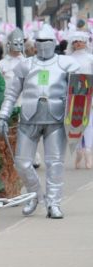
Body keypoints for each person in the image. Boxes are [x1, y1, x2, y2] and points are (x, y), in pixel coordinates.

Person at [0, 24, 80, 219]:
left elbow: (78, 92)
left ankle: (54, 203)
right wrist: (3, 115)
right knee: (22, 163)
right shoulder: (25, 65)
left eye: (47, 41)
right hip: (29, 118)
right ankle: (35, 195)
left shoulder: (67, 64)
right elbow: (11, 94)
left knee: (55, 163)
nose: (43, 45)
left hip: (56, 119)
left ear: (54, 42)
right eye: (39, 41)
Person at [67, 30, 93, 169]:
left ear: (85, 41)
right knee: (75, 123)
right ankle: (78, 151)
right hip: (73, 94)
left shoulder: (90, 58)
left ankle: (88, 151)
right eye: (75, 41)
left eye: (80, 40)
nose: (78, 43)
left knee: (88, 123)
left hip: (89, 93)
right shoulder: (68, 58)